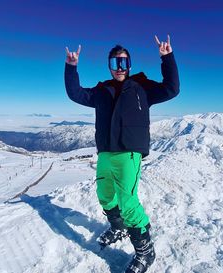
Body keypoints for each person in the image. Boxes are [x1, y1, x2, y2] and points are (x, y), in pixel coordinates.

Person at [64, 35, 179, 273]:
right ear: (109, 65)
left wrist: (167, 57)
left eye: (124, 63)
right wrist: (71, 67)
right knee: (105, 195)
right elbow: (75, 93)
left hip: (128, 153)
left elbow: (172, 89)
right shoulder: (101, 91)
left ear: (130, 65)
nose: (120, 68)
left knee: (128, 202)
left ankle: (145, 252)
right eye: (115, 63)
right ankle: (118, 228)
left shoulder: (142, 88)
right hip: (106, 152)